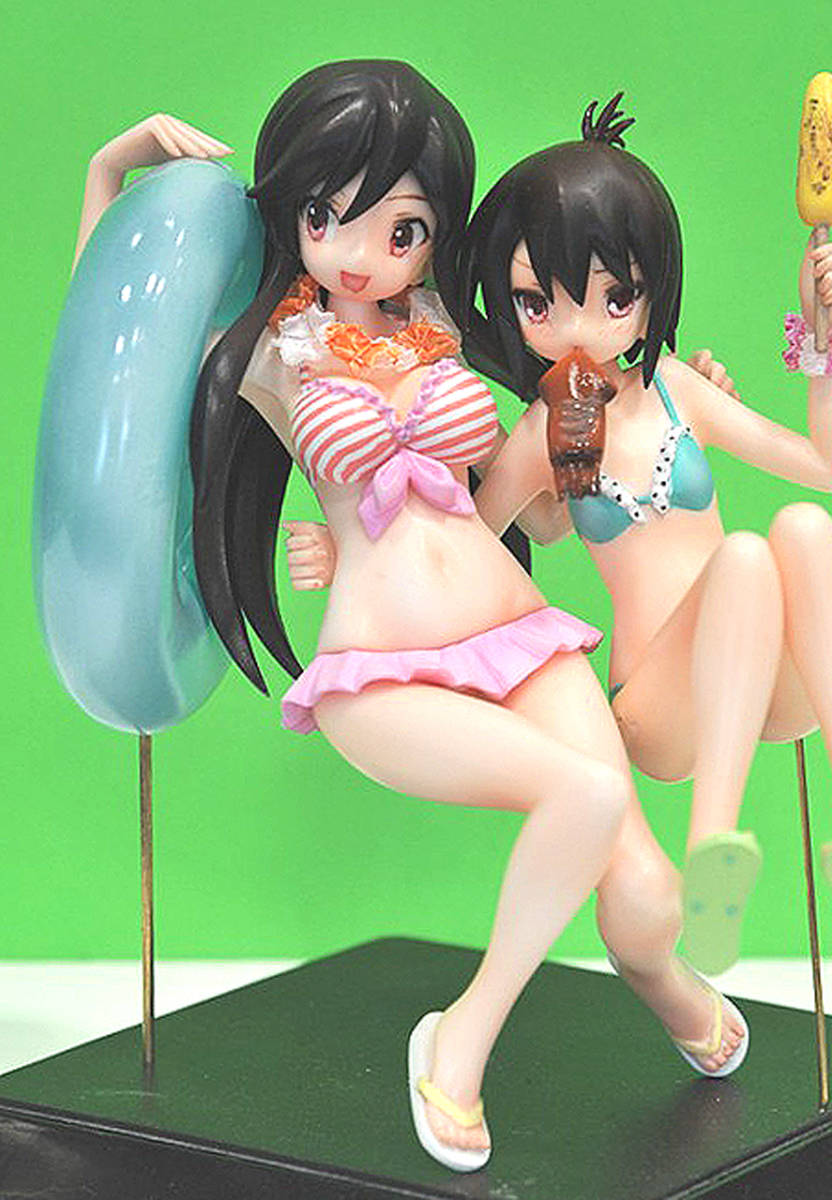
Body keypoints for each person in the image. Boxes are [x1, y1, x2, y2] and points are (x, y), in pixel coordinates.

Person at [70, 65, 748, 1174]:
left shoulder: (440, 325)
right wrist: (111, 172)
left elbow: (559, 466)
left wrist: (670, 395)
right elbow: (120, 360)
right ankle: (459, 1040)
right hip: (381, 664)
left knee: (639, 882)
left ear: (435, 236)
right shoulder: (274, 353)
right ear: (291, 212)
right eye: (325, 215)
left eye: (402, 228)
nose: (360, 252)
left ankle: (663, 980)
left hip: (517, 631)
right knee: (581, 795)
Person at [453, 93, 832, 974]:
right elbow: (476, 542)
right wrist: (387, 512)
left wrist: (825, 339)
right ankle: (716, 850)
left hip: (768, 684)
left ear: (650, 290)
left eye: (614, 295)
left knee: (805, 526)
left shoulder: (678, 389)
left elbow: (827, 466)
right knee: (742, 556)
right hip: (660, 710)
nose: (579, 325)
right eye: (537, 302)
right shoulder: (548, 428)